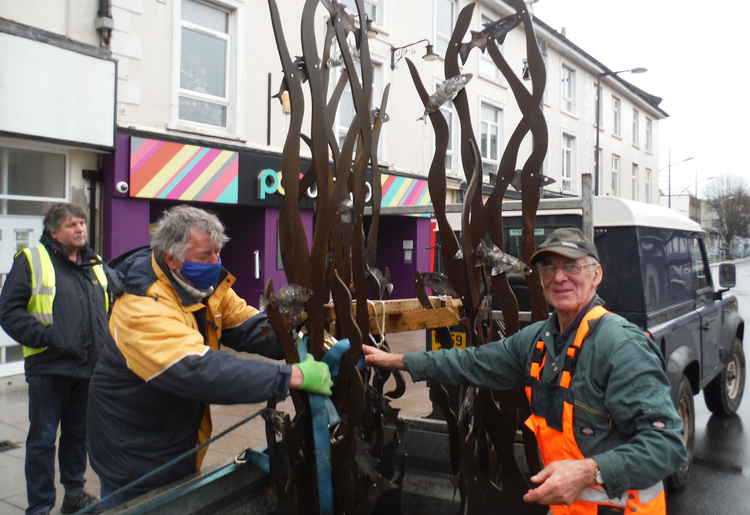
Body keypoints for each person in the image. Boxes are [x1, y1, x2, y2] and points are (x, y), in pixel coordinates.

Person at [364, 227, 687, 514]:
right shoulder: (541, 340)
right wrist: (402, 362)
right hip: (568, 508)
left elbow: (666, 445)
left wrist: (588, 471)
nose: (559, 277)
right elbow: (472, 361)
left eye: (572, 265)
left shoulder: (620, 346)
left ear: (597, 274)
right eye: (549, 267)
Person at [87, 204, 331, 509]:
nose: (215, 263)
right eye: (205, 256)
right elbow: (197, 370)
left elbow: (246, 325)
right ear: (171, 259)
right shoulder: (141, 305)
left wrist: (298, 340)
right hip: (135, 450)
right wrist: (291, 376)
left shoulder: (206, 286)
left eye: (218, 253)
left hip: (179, 435)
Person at [0, 203, 109, 515]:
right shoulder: (33, 260)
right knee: (43, 440)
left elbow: (111, 303)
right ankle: (40, 506)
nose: (80, 229)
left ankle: (74, 494)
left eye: (82, 224)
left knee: (78, 436)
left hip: (88, 367)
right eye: (72, 224)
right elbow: (9, 311)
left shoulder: (94, 264)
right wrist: (47, 338)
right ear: (54, 231)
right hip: (49, 368)